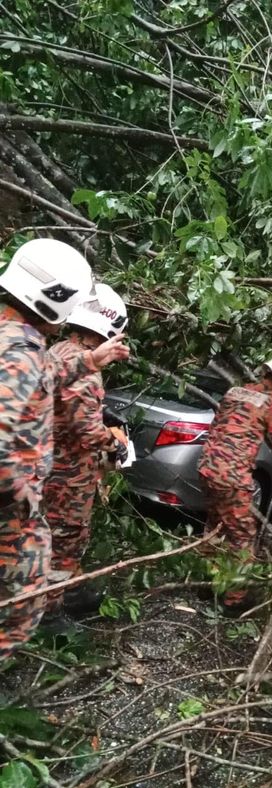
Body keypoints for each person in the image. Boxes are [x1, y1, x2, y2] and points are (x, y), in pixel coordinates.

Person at [0, 239, 129, 661]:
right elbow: (83, 428)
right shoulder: (21, 351)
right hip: (22, 503)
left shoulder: (20, 338)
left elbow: (45, 371)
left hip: (36, 492)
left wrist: (93, 359)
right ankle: (46, 628)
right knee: (25, 596)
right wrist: (18, 499)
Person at [43, 284, 129, 625]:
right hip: (68, 473)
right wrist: (114, 444)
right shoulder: (87, 372)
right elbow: (86, 429)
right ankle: (49, 615)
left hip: (47, 462)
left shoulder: (58, 351)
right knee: (66, 538)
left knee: (59, 535)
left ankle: (74, 592)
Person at [198, 351, 272, 611]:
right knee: (243, 536)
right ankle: (233, 600)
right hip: (232, 478)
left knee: (214, 526)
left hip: (207, 469)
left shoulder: (235, 392)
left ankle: (207, 584)